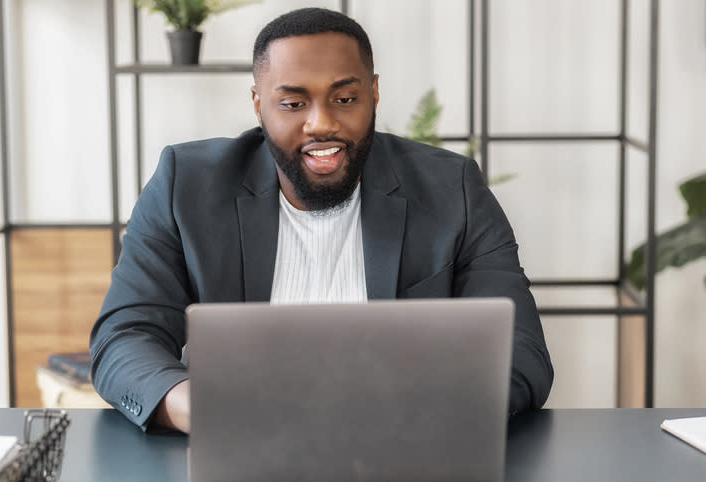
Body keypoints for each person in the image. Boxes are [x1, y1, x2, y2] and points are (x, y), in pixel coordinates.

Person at [90, 7, 553, 433]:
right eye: (293, 103)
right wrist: (203, 407)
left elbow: (522, 352)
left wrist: (423, 409)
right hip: (241, 447)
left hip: (402, 448)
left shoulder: (453, 189)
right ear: (258, 103)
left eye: (345, 98)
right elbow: (125, 336)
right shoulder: (184, 186)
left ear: (373, 93)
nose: (321, 123)